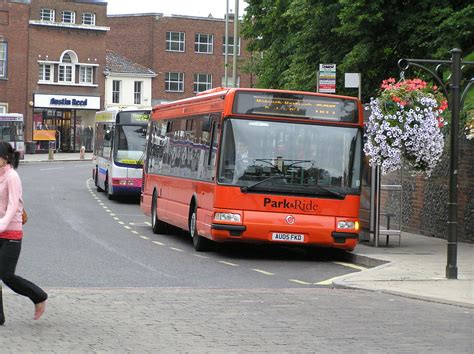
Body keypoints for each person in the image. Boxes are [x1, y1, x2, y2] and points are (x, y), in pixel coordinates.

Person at [0, 141, 47, 324]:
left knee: (6, 275)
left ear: (4, 158)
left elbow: (13, 206)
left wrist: (2, 225)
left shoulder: (12, 177)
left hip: (11, 233)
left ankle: (38, 296)